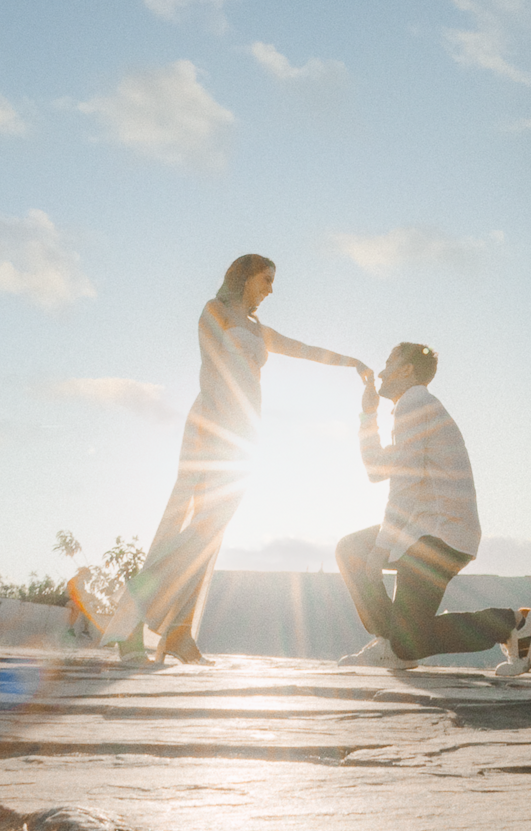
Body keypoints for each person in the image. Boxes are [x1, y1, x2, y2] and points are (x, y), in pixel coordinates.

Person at [105, 253, 368, 665]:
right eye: (265, 279)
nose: (270, 289)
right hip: (213, 422)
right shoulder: (216, 311)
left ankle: (178, 632)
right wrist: (223, 424)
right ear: (244, 277)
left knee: (210, 533)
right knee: (187, 523)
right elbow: (211, 367)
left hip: (245, 434)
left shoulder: (259, 330)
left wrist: (351, 362)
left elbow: (304, 350)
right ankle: (133, 619)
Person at [335, 342, 531, 675]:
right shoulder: (414, 408)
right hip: (424, 531)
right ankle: (392, 644)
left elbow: (404, 485)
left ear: (406, 370)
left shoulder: (415, 403)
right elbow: (377, 469)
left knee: (407, 636)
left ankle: (513, 623)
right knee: (351, 551)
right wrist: (367, 416)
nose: (381, 371)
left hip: (440, 535)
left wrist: (380, 549)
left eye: (389, 363)